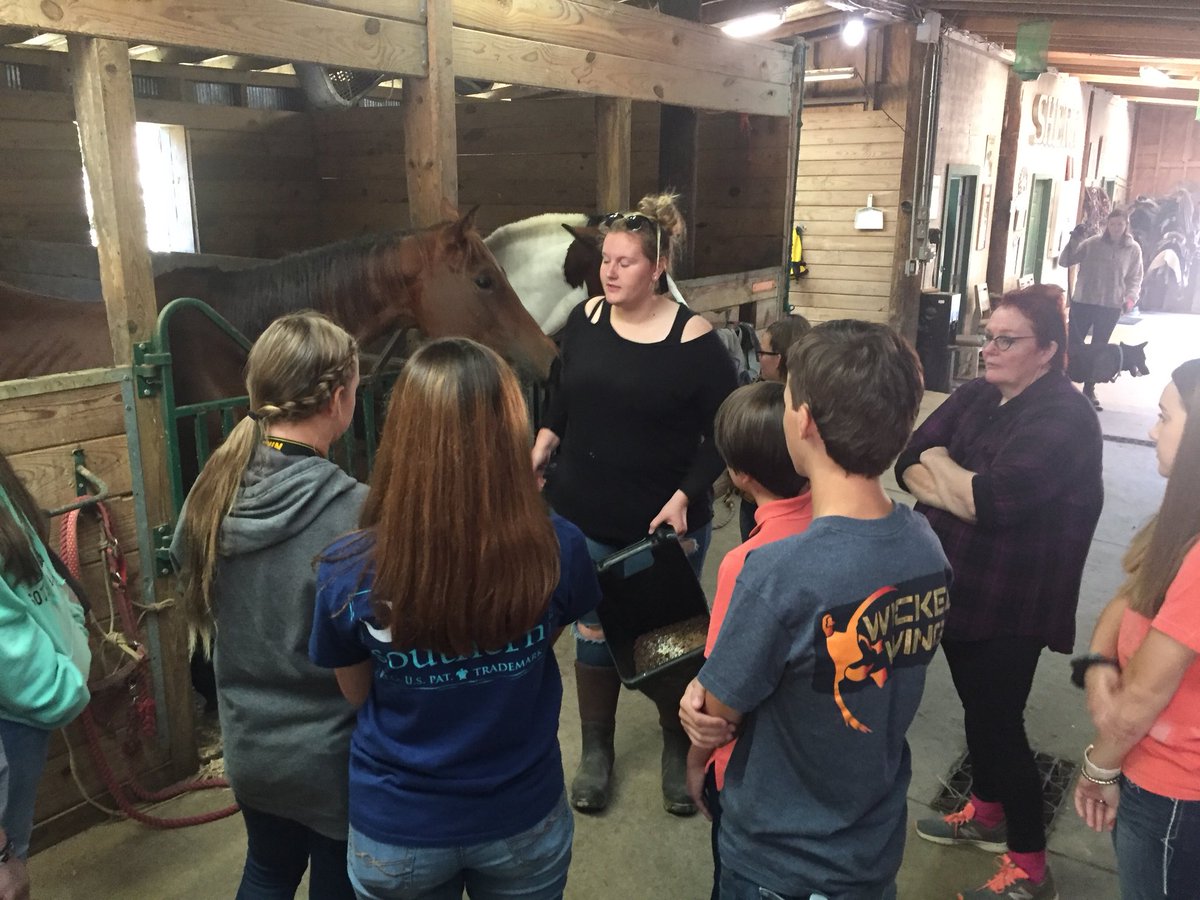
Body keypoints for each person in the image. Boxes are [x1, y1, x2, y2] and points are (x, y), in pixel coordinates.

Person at [309, 338, 602, 900]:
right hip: (521, 816)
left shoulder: (347, 569)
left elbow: (357, 692)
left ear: (402, 436)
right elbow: (545, 637)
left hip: (398, 826)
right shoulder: (559, 548)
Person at [681, 320, 950, 900]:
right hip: (871, 850)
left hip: (780, 863)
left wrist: (696, 747)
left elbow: (719, 711)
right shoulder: (926, 545)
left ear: (802, 422)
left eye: (784, 398)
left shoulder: (777, 572)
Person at [530, 191, 737, 815]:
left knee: (665, 640)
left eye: (625, 262)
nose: (610, 272)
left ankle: (677, 745)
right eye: (606, 260)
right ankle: (597, 750)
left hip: (661, 525)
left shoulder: (694, 339)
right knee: (593, 635)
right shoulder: (586, 319)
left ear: (658, 267)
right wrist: (546, 437)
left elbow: (724, 435)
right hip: (582, 514)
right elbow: (564, 391)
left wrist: (686, 495)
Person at [895, 283, 1104, 899]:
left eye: (1006, 340)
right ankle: (986, 814)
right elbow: (908, 459)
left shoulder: (1064, 418)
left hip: (1013, 602)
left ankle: (1032, 867)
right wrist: (955, 484)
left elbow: (994, 502)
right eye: (989, 337)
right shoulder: (979, 393)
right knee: (979, 712)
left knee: (999, 723)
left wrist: (946, 470)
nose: (988, 349)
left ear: (1048, 350)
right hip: (957, 585)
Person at [172, 310, 364, 900]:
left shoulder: (211, 493)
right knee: (337, 880)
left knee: (267, 871)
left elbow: (185, 564)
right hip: (332, 759)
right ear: (338, 398)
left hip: (251, 749)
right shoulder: (355, 511)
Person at [1074, 358, 1200, 899]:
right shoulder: (1181, 524)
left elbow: (1140, 700)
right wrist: (1099, 662)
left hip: (1173, 794)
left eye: (1165, 418)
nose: (1152, 431)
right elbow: (1132, 595)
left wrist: (1098, 769)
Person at [685, 381, 813, 900]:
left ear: (738, 474)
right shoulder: (836, 523)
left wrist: (697, 761)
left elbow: (722, 698)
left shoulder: (746, 565)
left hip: (756, 789)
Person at [0, 448, 91, 887]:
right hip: (16, 717)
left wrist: (73, 623)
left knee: (18, 849)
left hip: (27, 714)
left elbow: (42, 581)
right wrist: (63, 682)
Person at [1059, 208, 1144, 410]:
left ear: (1126, 225)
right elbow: (1065, 261)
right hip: (1084, 301)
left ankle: (1089, 389)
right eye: (1112, 224)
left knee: (1100, 348)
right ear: (1107, 225)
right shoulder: (1092, 244)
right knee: (1074, 345)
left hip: (1111, 305)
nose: (1116, 228)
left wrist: (1130, 299)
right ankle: (1063, 386)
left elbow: (1135, 278)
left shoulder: (1133, 250)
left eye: (1120, 224)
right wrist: (1075, 240)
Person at [739, 314, 812, 540]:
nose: (759, 359)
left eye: (762, 353)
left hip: (763, 505)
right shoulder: (815, 402)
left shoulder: (766, 409)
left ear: (779, 359)